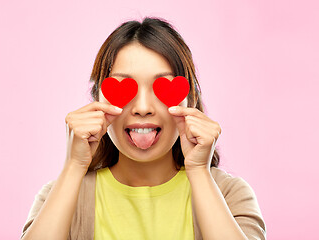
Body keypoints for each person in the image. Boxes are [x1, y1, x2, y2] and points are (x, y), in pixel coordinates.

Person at [20, 17, 266, 240]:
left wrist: (199, 171)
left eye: (163, 87)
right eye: (124, 88)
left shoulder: (230, 194)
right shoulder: (62, 195)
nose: (143, 107)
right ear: (98, 100)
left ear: (189, 100)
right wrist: (73, 166)